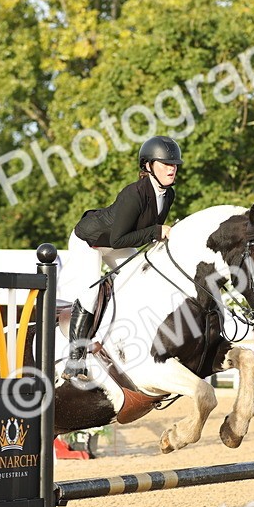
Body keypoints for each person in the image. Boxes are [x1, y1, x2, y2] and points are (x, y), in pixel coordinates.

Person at [62, 136, 180, 376]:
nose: (172, 168)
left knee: (142, 278)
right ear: (148, 166)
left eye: (174, 164)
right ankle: (75, 360)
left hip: (117, 241)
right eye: (165, 163)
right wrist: (157, 232)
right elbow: (119, 240)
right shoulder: (133, 194)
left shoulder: (168, 195)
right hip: (91, 241)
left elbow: (142, 235)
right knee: (91, 292)